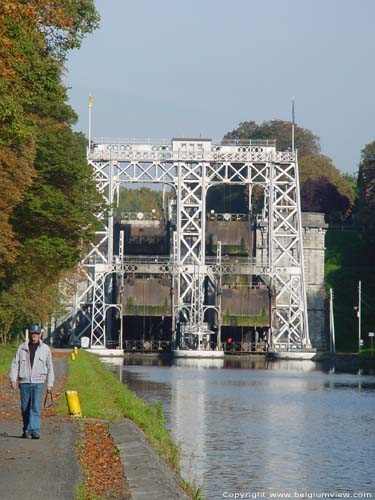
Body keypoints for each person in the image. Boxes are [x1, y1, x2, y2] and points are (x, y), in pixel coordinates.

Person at [9, 324, 54, 439]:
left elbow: (50, 367)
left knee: (35, 407)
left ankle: (34, 430)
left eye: (37, 333)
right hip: (24, 382)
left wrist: (50, 384)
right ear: (30, 334)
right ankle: (26, 429)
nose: (35, 335)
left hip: (39, 382)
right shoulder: (22, 348)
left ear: (40, 335)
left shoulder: (45, 349)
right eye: (33, 333)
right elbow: (15, 363)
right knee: (25, 407)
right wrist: (13, 378)